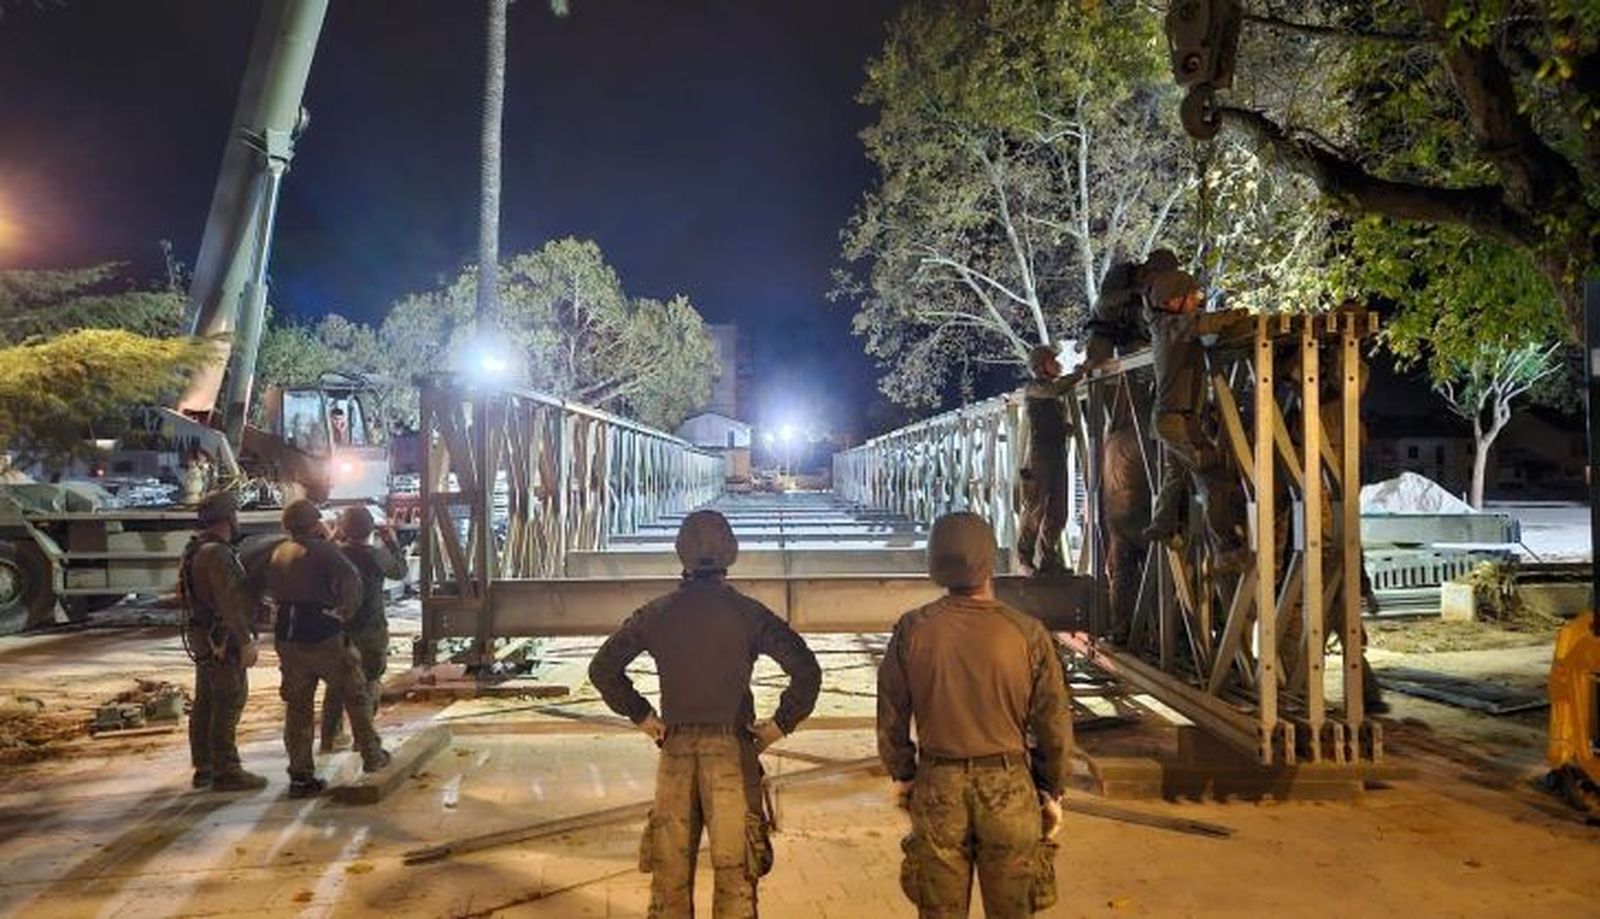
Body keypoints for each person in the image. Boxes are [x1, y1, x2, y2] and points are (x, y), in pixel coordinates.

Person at [589, 509, 822, 919]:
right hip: (733, 754)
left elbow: (603, 669)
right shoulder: (749, 614)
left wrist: (644, 718)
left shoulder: (657, 612)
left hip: (674, 753)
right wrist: (776, 727)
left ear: (682, 554)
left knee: (669, 884)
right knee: (736, 882)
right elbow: (806, 670)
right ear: (730, 553)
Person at [879, 512, 1074, 919]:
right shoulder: (1027, 632)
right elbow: (1053, 723)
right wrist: (1050, 788)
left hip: (938, 785)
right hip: (1009, 788)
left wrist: (902, 773)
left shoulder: (912, 629)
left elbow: (891, 714)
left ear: (935, 563)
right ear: (990, 561)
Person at [264, 499, 390, 797]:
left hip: (287, 637)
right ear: (314, 523)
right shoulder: (322, 550)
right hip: (321, 635)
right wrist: (344, 612)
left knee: (298, 708)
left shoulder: (280, 551)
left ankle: (300, 775)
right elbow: (351, 580)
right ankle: (372, 754)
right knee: (355, 692)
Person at [1141, 269, 1248, 569]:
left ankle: (1161, 526)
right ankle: (1226, 546)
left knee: (1176, 475)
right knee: (1213, 476)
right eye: (1193, 297)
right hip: (1177, 420)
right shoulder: (1168, 325)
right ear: (1174, 301)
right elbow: (1201, 323)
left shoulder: (1167, 325)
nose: (1197, 303)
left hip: (1174, 419)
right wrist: (1233, 315)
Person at [179, 491, 268, 792]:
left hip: (203, 636)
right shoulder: (218, 554)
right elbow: (230, 601)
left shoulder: (194, 550)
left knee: (206, 701)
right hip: (222, 639)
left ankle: (203, 766)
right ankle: (226, 770)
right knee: (230, 699)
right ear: (229, 517)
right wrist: (245, 640)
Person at [319, 505, 406, 752]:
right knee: (369, 681)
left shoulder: (334, 554)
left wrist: (334, 535)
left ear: (343, 529)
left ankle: (329, 738)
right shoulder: (376, 555)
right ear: (370, 529)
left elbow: (326, 555)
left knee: (336, 685)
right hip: (371, 628)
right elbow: (400, 571)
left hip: (339, 630)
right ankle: (363, 738)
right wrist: (391, 541)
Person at [1016, 344, 1083, 575]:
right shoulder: (1034, 388)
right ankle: (1024, 559)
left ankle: (1049, 558)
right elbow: (1055, 391)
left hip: (1056, 454)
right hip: (1038, 456)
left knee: (1058, 510)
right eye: (1052, 361)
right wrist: (1081, 372)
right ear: (1041, 367)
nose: (1058, 364)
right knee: (1035, 509)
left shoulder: (1049, 394)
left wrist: (1064, 427)